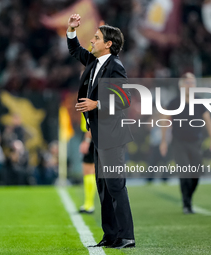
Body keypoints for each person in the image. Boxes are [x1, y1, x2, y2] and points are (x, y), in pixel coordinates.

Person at [67, 14, 135, 248]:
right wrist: (71, 30)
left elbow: (125, 98)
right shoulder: (95, 63)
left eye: (96, 38)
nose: (92, 41)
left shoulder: (115, 66)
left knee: (115, 184)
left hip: (113, 134)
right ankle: (111, 235)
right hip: (99, 133)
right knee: (104, 187)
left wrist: (97, 104)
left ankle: (126, 236)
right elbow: (75, 50)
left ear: (108, 44)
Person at [159, 73, 211, 214]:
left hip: (196, 143)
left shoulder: (200, 102)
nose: (190, 85)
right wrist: (163, 141)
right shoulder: (174, 103)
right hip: (179, 143)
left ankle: (188, 197)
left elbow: (208, 121)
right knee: (184, 172)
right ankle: (187, 204)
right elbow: (165, 121)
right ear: (181, 86)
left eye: (193, 83)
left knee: (196, 174)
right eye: (188, 83)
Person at [79, 128, 96, 214]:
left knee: (89, 170)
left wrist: (87, 140)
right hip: (97, 135)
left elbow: (91, 119)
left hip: (92, 136)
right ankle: (88, 203)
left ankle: (89, 204)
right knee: (90, 171)